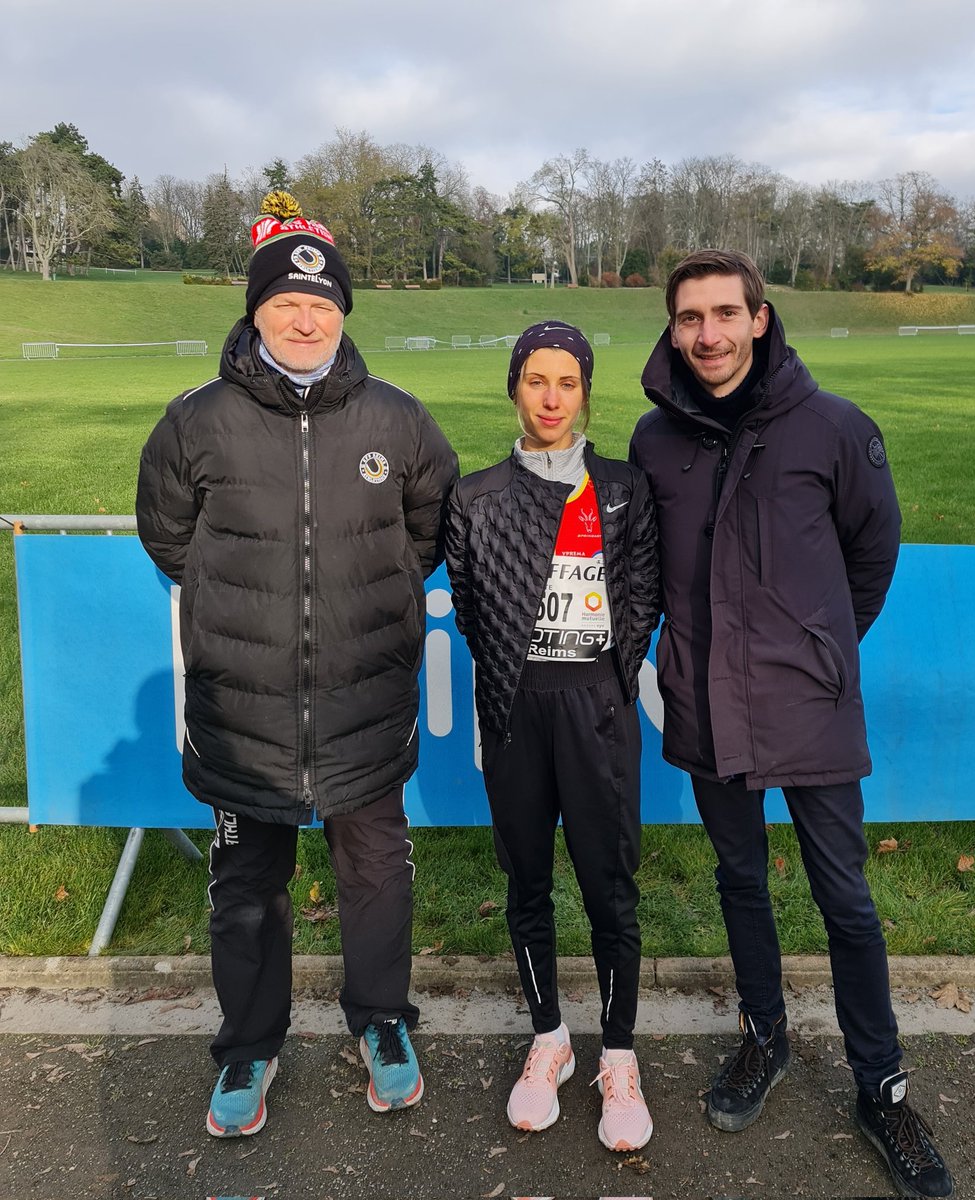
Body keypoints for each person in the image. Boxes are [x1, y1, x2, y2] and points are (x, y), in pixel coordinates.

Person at [629, 250, 953, 1198]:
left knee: (843, 898)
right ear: (673, 328)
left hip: (807, 702)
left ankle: (880, 1084)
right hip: (706, 702)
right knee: (740, 879)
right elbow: (650, 569)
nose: (709, 335)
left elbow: (872, 551)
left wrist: (820, 646)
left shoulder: (837, 429)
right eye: (691, 318)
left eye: (726, 313)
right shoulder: (656, 441)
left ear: (760, 318)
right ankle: (764, 1037)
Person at [136, 192, 459, 1138]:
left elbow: (429, 527)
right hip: (246, 713)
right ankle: (247, 1045)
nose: (305, 318)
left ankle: (383, 1024)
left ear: (344, 312)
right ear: (257, 312)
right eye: (285, 304)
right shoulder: (196, 420)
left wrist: (382, 581)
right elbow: (169, 538)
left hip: (365, 705)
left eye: (321, 304)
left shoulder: (398, 420)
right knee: (247, 886)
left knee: (375, 872)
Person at [443, 322, 660, 1152]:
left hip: (596, 709)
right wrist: (516, 673)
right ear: (514, 387)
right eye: (536, 380)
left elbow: (642, 597)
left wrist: (607, 680)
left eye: (567, 383)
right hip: (516, 712)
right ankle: (549, 1041)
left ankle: (619, 1054)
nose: (551, 398)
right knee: (527, 882)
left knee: (610, 891)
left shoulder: (624, 489)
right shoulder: (477, 495)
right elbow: (469, 603)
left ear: (586, 392)